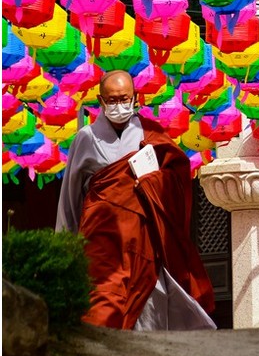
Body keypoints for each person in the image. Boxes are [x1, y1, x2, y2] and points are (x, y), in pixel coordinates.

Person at [56, 70, 216, 330]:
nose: (119, 105)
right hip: (100, 242)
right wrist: (64, 249)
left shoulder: (151, 135)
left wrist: (153, 183)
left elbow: (176, 178)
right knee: (101, 309)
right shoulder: (85, 137)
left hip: (142, 243)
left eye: (124, 98)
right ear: (101, 100)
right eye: (113, 99)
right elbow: (70, 197)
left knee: (146, 310)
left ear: (135, 97)